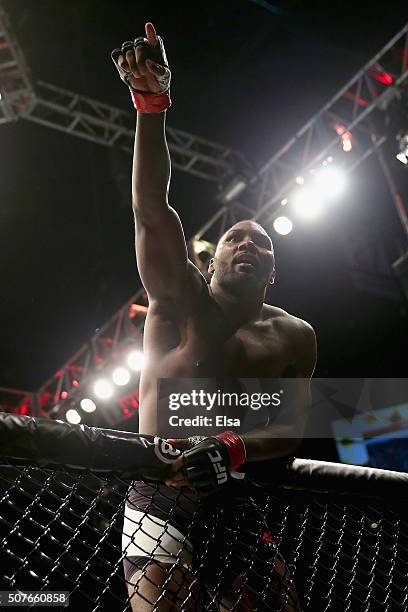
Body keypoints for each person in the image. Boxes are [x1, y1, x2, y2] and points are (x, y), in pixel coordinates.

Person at [112, 22, 317, 611]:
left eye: (261, 242)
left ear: (272, 272)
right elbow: (151, 207)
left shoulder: (293, 336)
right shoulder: (177, 300)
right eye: (233, 237)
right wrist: (152, 108)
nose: (247, 244)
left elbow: (291, 431)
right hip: (161, 488)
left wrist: (232, 450)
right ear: (211, 257)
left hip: (234, 490)